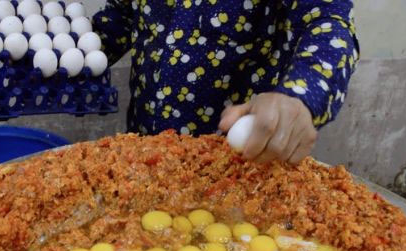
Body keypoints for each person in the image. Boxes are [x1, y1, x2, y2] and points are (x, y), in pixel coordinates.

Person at [92, 0, 359, 163]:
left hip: (236, 160)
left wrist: (301, 95)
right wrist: (75, 52)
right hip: (146, 149)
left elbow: (327, 23)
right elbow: (123, 17)